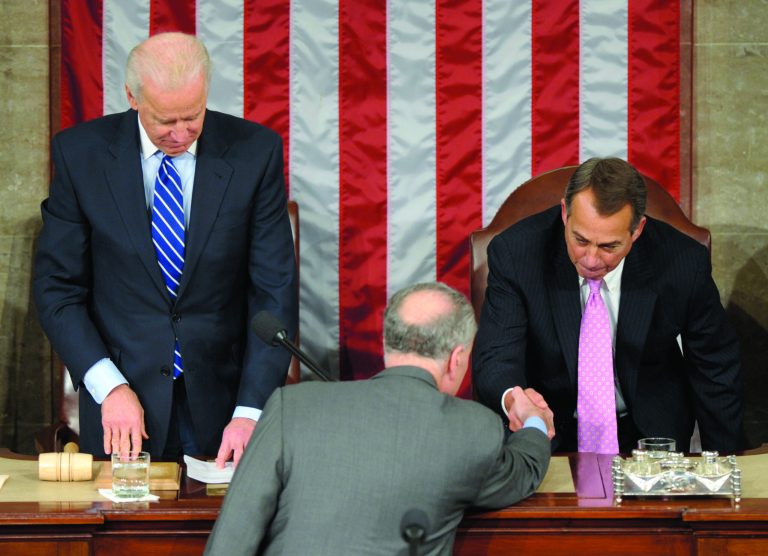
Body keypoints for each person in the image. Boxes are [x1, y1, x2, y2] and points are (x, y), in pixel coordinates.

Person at [33, 32, 297, 466]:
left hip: (227, 405)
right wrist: (109, 387)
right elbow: (57, 289)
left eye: (192, 117)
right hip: (121, 402)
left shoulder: (255, 152)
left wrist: (251, 410)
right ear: (132, 97)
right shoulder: (81, 155)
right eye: (164, 120)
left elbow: (274, 291)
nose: (179, 133)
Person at [204, 282, 552, 556]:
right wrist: (532, 419)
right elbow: (522, 471)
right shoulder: (472, 429)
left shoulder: (289, 406)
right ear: (457, 358)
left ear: (386, 345)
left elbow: (232, 538)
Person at [473, 157, 744, 454]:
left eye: (608, 246)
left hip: (649, 434)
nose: (590, 259)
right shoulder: (517, 254)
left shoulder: (681, 262)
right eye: (581, 239)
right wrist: (515, 398)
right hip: (547, 428)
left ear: (637, 230)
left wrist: (726, 463)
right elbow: (496, 356)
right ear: (565, 213)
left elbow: (715, 367)